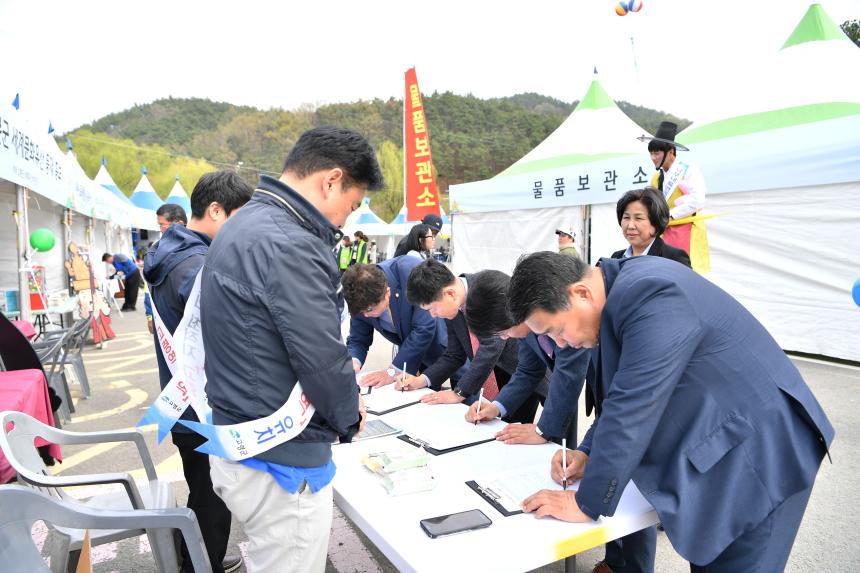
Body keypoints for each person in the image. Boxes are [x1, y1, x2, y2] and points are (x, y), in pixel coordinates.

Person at [508, 252, 834, 572]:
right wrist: (588, 453)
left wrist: (585, 502)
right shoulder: (616, 297)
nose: (561, 344)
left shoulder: (651, 294)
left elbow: (634, 403)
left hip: (761, 455)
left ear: (580, 294)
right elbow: (620, 394)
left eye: (556, 330)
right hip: (721, 441)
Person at [201, 126, 382, 572]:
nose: (346, 219)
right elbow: (321, 356)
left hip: (240, 436)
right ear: (331, 180)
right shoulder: (292, 243)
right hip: (281, 456)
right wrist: (349, 416)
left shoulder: (245, 221)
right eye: (352, 204)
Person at [143, 170, 252, 573]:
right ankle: (200, 565)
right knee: (213, 499)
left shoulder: (170, 254)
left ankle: (197, 557)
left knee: (203, 491)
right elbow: (232, 332)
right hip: (205, 408)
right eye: (238, 218)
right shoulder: (194, 265)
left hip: (183, 402)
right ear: (215, 209)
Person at [398, 259, 538, 424]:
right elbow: (454, 354)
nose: (433, 315)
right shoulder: (452, 307)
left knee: (547, 436)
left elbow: (491, 346)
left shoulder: (487, 289)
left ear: (450, 293)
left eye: (432, 308)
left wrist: (459, 392)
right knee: (502, 429)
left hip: (527, 369)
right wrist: (423, 380)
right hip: (498, 376)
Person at [463, 270, 589, 447]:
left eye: (503, 332)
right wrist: (497, 406)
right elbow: (528, 371)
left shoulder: (558, 315)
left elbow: (569, 375)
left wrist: (543, 429)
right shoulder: (525, 328)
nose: (505, 338)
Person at [342, 259, 446, 387]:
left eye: (369, 310)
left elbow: (424, 329)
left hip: (446, 346)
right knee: (426, 396)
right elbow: (358, 339)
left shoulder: (412, 273)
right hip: (411, 352)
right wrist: (354, 361)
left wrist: (392, 372)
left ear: (387, 293)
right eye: (360, 311)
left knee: (466, 393)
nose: (366, 315)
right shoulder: (360, 298)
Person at [639, 121, 709, 271]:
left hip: (686, 231)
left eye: (657, 153)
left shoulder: (689, 171)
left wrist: (668, 216)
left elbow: (697, 201)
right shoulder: (655, 178)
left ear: (671, 152)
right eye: (651, 153)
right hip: (663, 233)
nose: (653, 157)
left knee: (685, 272)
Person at [613, 187, 690, 265]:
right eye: (626, 217)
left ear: (656, 222)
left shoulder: (674, 258)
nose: (630, 226)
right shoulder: (616, 258)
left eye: (638, 218)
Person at [146, 203, 189, 333]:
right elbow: (148, 287)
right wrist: (149, 315)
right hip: (165, 321)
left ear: (179, 223)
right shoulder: (156, 252)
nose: (160, 230)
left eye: (162, 225)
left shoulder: (195, 249)